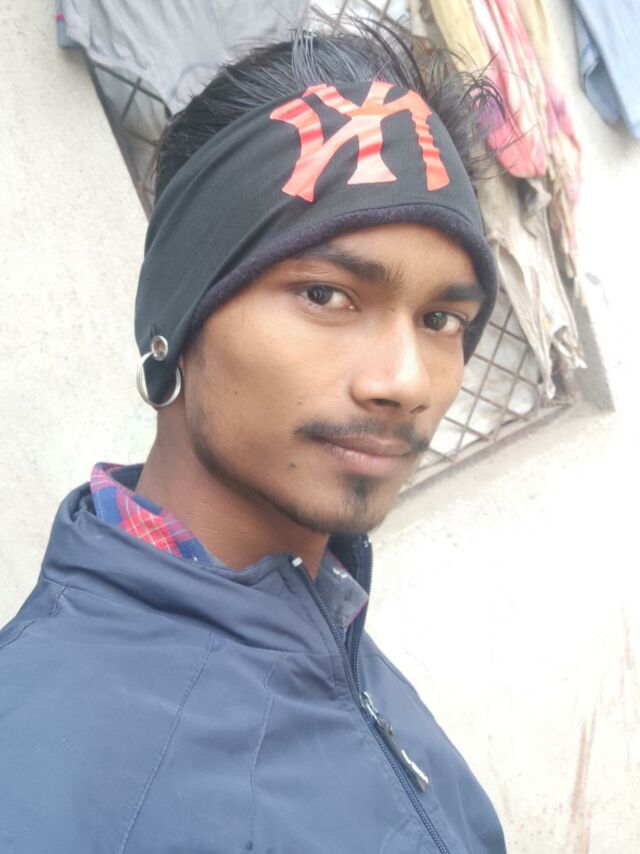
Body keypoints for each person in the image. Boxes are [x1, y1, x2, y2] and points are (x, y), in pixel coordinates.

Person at [0, 23, 507, 854]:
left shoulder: (326, 622)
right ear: (177, 317)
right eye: (326, 295)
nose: (407, 380)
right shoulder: (35, 775)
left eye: (443, 319)